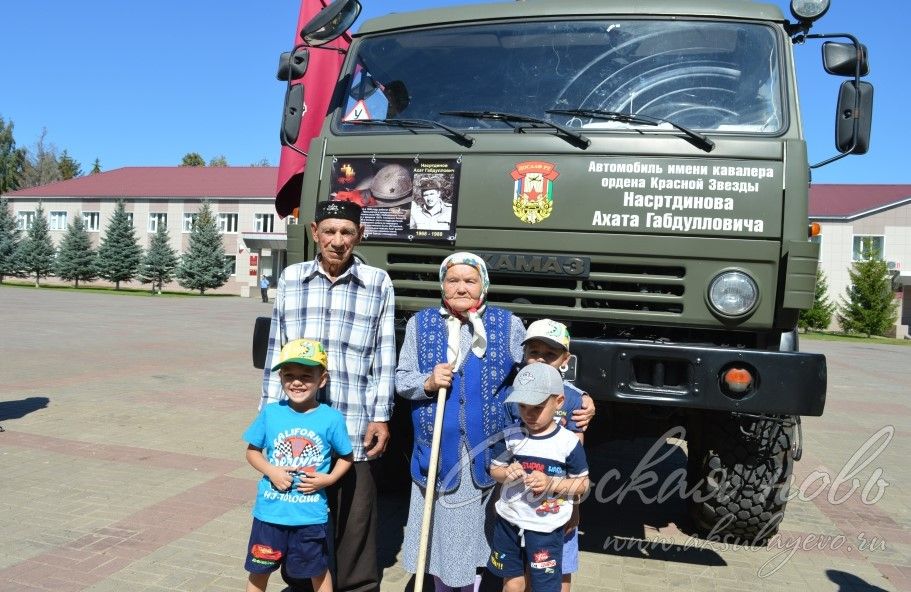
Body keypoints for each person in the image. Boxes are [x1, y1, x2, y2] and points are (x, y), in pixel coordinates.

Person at [262, 200, 396, 592]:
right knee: (299, 511)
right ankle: (304, 583)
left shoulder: (377, 283)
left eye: (347, 233)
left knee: (356, 518)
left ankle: (356, 586)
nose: (337, 241)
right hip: (299, 425)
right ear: (314, 232)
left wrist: (382, 415)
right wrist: (271, 414)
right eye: (330, 232)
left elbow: (383, 354)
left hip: (354, 419)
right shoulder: (291, 278)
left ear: (360, 236)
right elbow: (276, 348)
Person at [395, 252, 526, 592]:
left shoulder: (508, 324)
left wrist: (577, 399)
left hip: (488, 451)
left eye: (470, 280)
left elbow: (531, 376)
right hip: (439, 453)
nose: (461, 287)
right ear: (442, 285)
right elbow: (402, 378)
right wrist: (426, 381)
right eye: (453, 280)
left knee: (480, 541)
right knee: (442, 539)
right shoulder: (420, 324)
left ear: (484, 284)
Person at [243, 338, 354, 592]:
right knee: (259, 570)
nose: (297, 382)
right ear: (281, 377)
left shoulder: (331, 418)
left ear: (322, 379)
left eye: (306, 375)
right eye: (289, 375)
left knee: (317, 570)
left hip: (310, 517)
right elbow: (252, 452)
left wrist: (328, 479)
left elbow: (347, 457)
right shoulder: (271, 413)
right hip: (270, 515)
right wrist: (271, 470)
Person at [488, 363, 590, 592]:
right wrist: (506, 473)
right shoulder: (510, 436)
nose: (529, 414)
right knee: (513, 585)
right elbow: (495, 470)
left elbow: (582, 484)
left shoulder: (568, 443)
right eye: (523, 406)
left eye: (537, 407)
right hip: (509, 521)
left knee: (545, 587)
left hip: (546, 528)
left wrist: (551, 483)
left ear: (559, 402)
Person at [508, 319, 592, 592]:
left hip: (558, 504)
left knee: (560, 574)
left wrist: (575, 507)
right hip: (521, 506)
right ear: (524, 354)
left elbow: (577, 466)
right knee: (522, 572)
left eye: (551, 354)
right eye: (534, 352)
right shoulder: (514, 396)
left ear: (565, 359)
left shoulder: (572, 399)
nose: (541, 360)